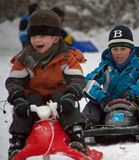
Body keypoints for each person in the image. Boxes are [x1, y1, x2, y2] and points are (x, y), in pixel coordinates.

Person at [6, 9, 87, 159]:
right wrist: (17, 97)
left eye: (42, 35)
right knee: (27, 103)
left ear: (55, 38)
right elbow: (15, 81)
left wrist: (71, 94)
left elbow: (77, 79)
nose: (37, 40)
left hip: (60, 97)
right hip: (34, 97)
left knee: (63, 99)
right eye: (34, 36)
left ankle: (76, 136)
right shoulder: (25, 59)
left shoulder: (66, 58)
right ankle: (17, 141)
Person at [82, 25, 139, 129]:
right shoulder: (105, 68)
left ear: (131, 49)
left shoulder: (138, 66)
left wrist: (133, 92)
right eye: (115, 49)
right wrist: (102, 98)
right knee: (93, 102)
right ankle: (88, 121)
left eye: (123, 49)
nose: (119, 53)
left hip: (135, 107)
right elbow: (87, 82)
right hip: (108, 107)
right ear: (110, 51)